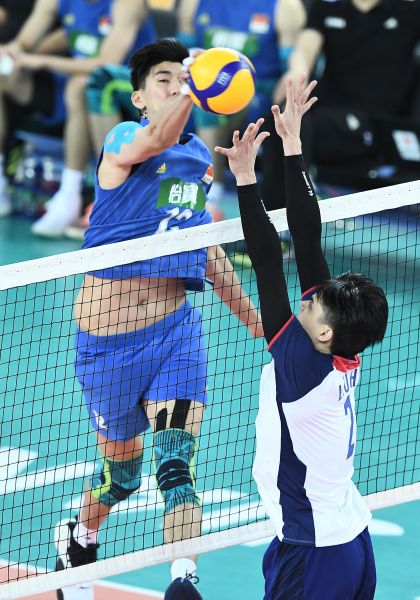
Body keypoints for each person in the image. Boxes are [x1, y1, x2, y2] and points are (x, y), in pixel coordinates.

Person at [54, 38, 263, 600]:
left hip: (175, 335)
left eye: (181, 76)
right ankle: (80, 534)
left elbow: (205, 250)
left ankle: (183, 580)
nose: (175, 86)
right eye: (164, 80)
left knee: (176, 467)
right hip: (107, 348)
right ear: (140, 97)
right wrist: (197, 84)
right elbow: (157, 138)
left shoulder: (198, 161)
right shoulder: (123, 140)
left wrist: (258, 324)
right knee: (121, 477)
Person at [214, 75, 388, 598]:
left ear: (325, 330)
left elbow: (269, 262)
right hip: (348, 537)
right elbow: (308, 241)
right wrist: (292, 145)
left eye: (311, 303)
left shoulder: (302, 367)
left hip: (313, 551)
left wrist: (245, 179)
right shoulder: (335, 349)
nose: (304, 299)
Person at [0, 0, 156, 234]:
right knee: (3, 74)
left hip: (132, 93)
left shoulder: (128, 4)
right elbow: (24, 43)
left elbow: (107, 63)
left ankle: (77, 195)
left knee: (83, 86)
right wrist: (11, 53)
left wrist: (42, 61)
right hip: (74, 82)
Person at [261, 0, 420, 210]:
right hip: (327, 112)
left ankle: (297, 208)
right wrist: (297, 75)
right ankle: (275, 216)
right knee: (282, 119)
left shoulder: (410, 10)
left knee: (302, 128)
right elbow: (304, 50)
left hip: (376, 125)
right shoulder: (327, 7)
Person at [177, 0, 306, 216]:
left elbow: (293, 64)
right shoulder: (192, 3)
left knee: (211, 102)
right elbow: (180, 54)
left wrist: (292, 77)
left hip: (256, 93)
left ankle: (211, 197)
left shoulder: (285, 7)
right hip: (197, 85)